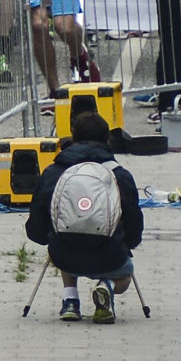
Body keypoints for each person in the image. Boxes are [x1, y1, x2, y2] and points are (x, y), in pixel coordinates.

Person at [23, 109, 143, 325]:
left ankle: (70, 300)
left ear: (73, 136)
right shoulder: (119, 174)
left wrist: (48, 239)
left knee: (68, 228)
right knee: (125, 277)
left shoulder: (54, 172)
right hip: (111, 256)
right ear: (107, 139)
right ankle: (105, 287)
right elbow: (134, 221)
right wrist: (128, 244)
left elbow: (37, 224)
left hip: (64, 255)